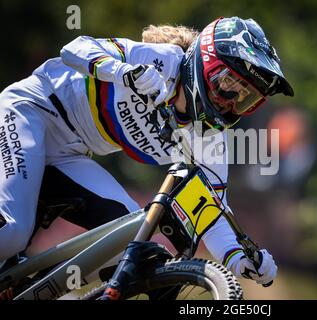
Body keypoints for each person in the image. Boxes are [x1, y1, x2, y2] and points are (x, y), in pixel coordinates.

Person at [0, 16, 293, 289]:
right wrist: (124, 73)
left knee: (132, 242)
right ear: (203, 63)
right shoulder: (164, 61)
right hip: (31, 110)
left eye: (246, 98)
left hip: (69, 153)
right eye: (227, 85)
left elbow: (209, 211)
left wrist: (238, 260)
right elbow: (74, 49)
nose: (231, 102)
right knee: (13, 234)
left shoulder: (208, 138)